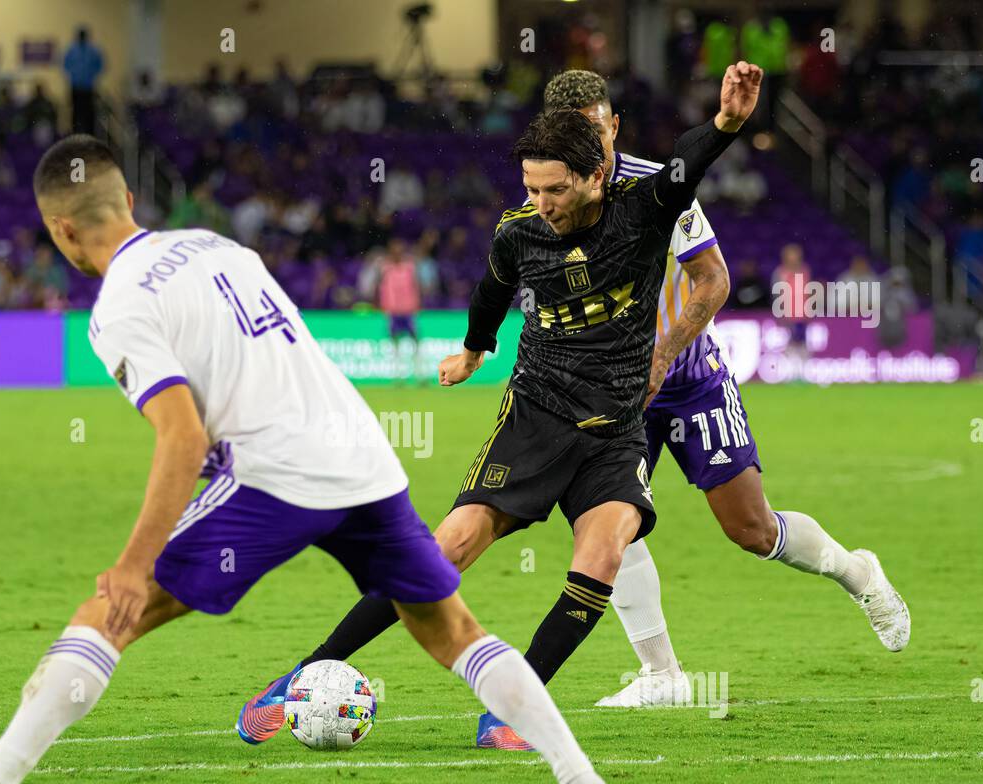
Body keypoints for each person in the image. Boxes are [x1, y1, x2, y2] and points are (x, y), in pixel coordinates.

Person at [0, 134, 626, 784]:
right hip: (360, 454)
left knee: (108, 613)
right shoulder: (213, 244)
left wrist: (134, 563)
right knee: (452, 631)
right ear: (130, 198)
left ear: (61, 232)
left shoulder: (119, 308)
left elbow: (182, 436)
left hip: (275, 472)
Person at [236, 62, 769, 749]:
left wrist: (728, 122)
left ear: (593, 176)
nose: (541, 202)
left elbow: (687, 163)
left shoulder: (644, 209)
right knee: (447, 548)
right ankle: (303, 674)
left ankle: (516, 706)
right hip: (536, 416)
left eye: (554, 189)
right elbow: (491, 291)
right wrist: (474, 347)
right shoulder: (518, 231)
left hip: (613, 430)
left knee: (604, 552)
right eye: (531, 188)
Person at [377, 238, 421, 384]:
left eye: (399, 250)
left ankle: (419, 374)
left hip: (408, 310)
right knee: (395, 344)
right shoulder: (385, 268)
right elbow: (381, 288)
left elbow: (415, 286)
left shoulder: (409, 267)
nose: (397, 253)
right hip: (393, 311)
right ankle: (397, 376)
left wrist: (416, 304)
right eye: (394, 250)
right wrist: (384, 306)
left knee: (415, 342)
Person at [63, 27, 103, 134]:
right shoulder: (71, 50)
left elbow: (100, 66)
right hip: (75, 86)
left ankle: (90, 134)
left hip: (88, 87)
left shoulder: (93, 50)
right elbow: (65, 65)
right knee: (75, 112)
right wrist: (74, 75)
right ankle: (75, 134)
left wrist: (91, 76)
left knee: (89, 113)